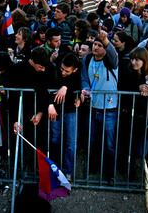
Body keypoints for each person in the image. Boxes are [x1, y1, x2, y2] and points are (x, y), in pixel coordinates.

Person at [81, 27, 119, 181]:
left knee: (109, 144)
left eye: (100, 45)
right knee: (92, 141)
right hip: (92, 107)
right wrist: (85, 88)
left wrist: (106, 41)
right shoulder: (87, 59)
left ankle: (109, 174)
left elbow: (113, 55)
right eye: (95, 44)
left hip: (109, 108)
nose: (96, 47)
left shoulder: (111, 60)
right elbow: (84, 77)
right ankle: (93, 169)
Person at [48, 53, 82, 180]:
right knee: (55, 139)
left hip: (70, 110)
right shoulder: (55, 69)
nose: (63, 72)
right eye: (62, 69)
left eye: (67, 71)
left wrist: (66, 86)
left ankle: (68, 171)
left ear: (75, 70)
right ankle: (55, 169)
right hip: (55, 110)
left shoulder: (78, 74)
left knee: (71, 142)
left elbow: (80, 84)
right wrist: (50, 104)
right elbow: (48, 85)